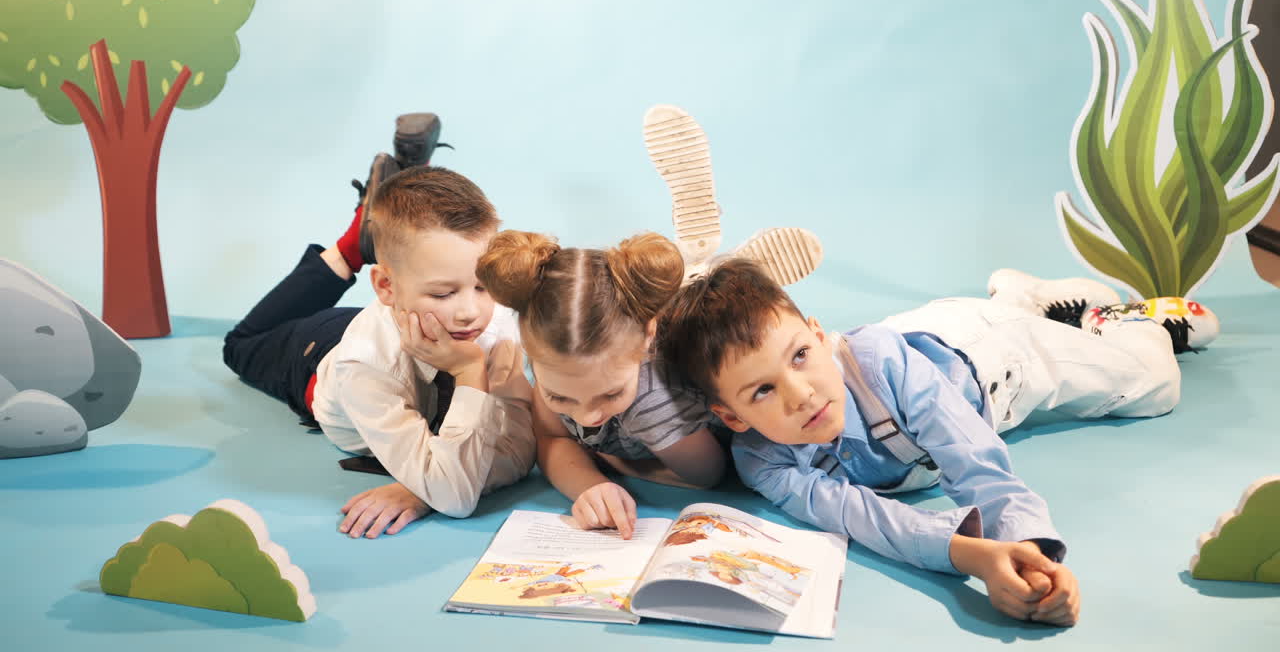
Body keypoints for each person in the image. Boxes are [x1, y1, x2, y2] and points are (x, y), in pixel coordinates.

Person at [654, 259, 1187, 626]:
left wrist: (1031, 550)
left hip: (991, 356)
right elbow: (866, 518)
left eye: (800, 356)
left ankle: (1112, 321)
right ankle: (1027, 297)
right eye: (763, 390)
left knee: (1156, 384)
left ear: (819, 336)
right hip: (928, 329)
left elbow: (974, 463)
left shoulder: (881, 364)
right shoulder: (762, 462)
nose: (801, 394)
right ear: (732, 416)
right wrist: (979, 557)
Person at [223, 125, 535, 539]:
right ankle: (351, 246)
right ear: (386, 286)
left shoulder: (496, 321)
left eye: (483, 286)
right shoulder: (363, 364)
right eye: (443, 293)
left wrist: (423, 488)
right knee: (240, 346)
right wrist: (469, 374)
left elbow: (521, 450)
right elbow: (457, 497)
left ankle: (376, 235)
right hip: (315, 354)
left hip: (400, 318)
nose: (469, 312)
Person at [475, 230, 726, 540]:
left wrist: (607, 461)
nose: (587, 417)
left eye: (611, 394)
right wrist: (591, 485)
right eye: (560, 398)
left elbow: (706, 474)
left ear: (648, 335)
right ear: (529, 351)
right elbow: (550, 438)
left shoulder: (652, 401)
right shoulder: (554, 365)